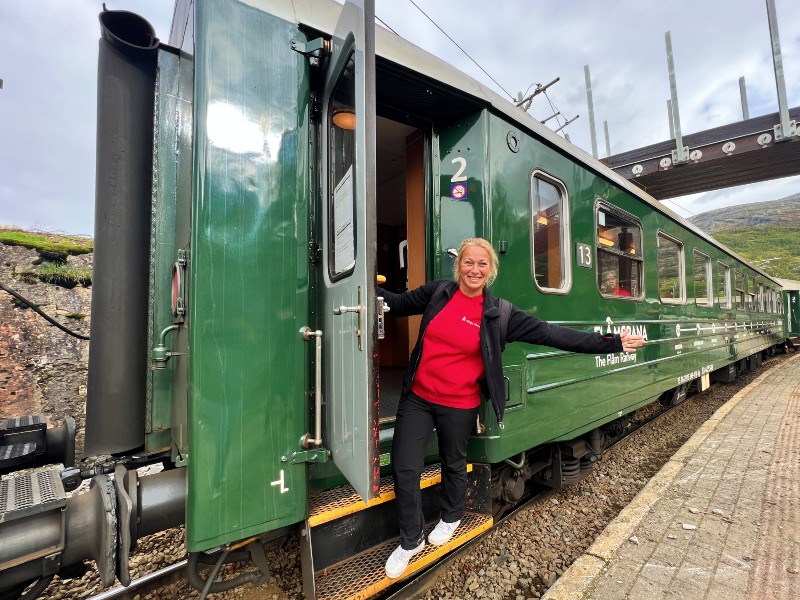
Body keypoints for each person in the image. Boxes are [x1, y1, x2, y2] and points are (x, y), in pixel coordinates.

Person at [379, 237, 645, 579]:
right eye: (468, 262)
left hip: (459, 403)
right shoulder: (438, 293)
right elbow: (398, 304)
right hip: (418, 397)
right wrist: (361, 291)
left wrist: (612, 343)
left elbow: (551, 335)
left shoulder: (499, 314)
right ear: (458, 265)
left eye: (482, 264)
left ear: (491, 270)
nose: (474, 269)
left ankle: (450, 517)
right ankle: (410, 540)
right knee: (404, 467)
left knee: (453, 463)